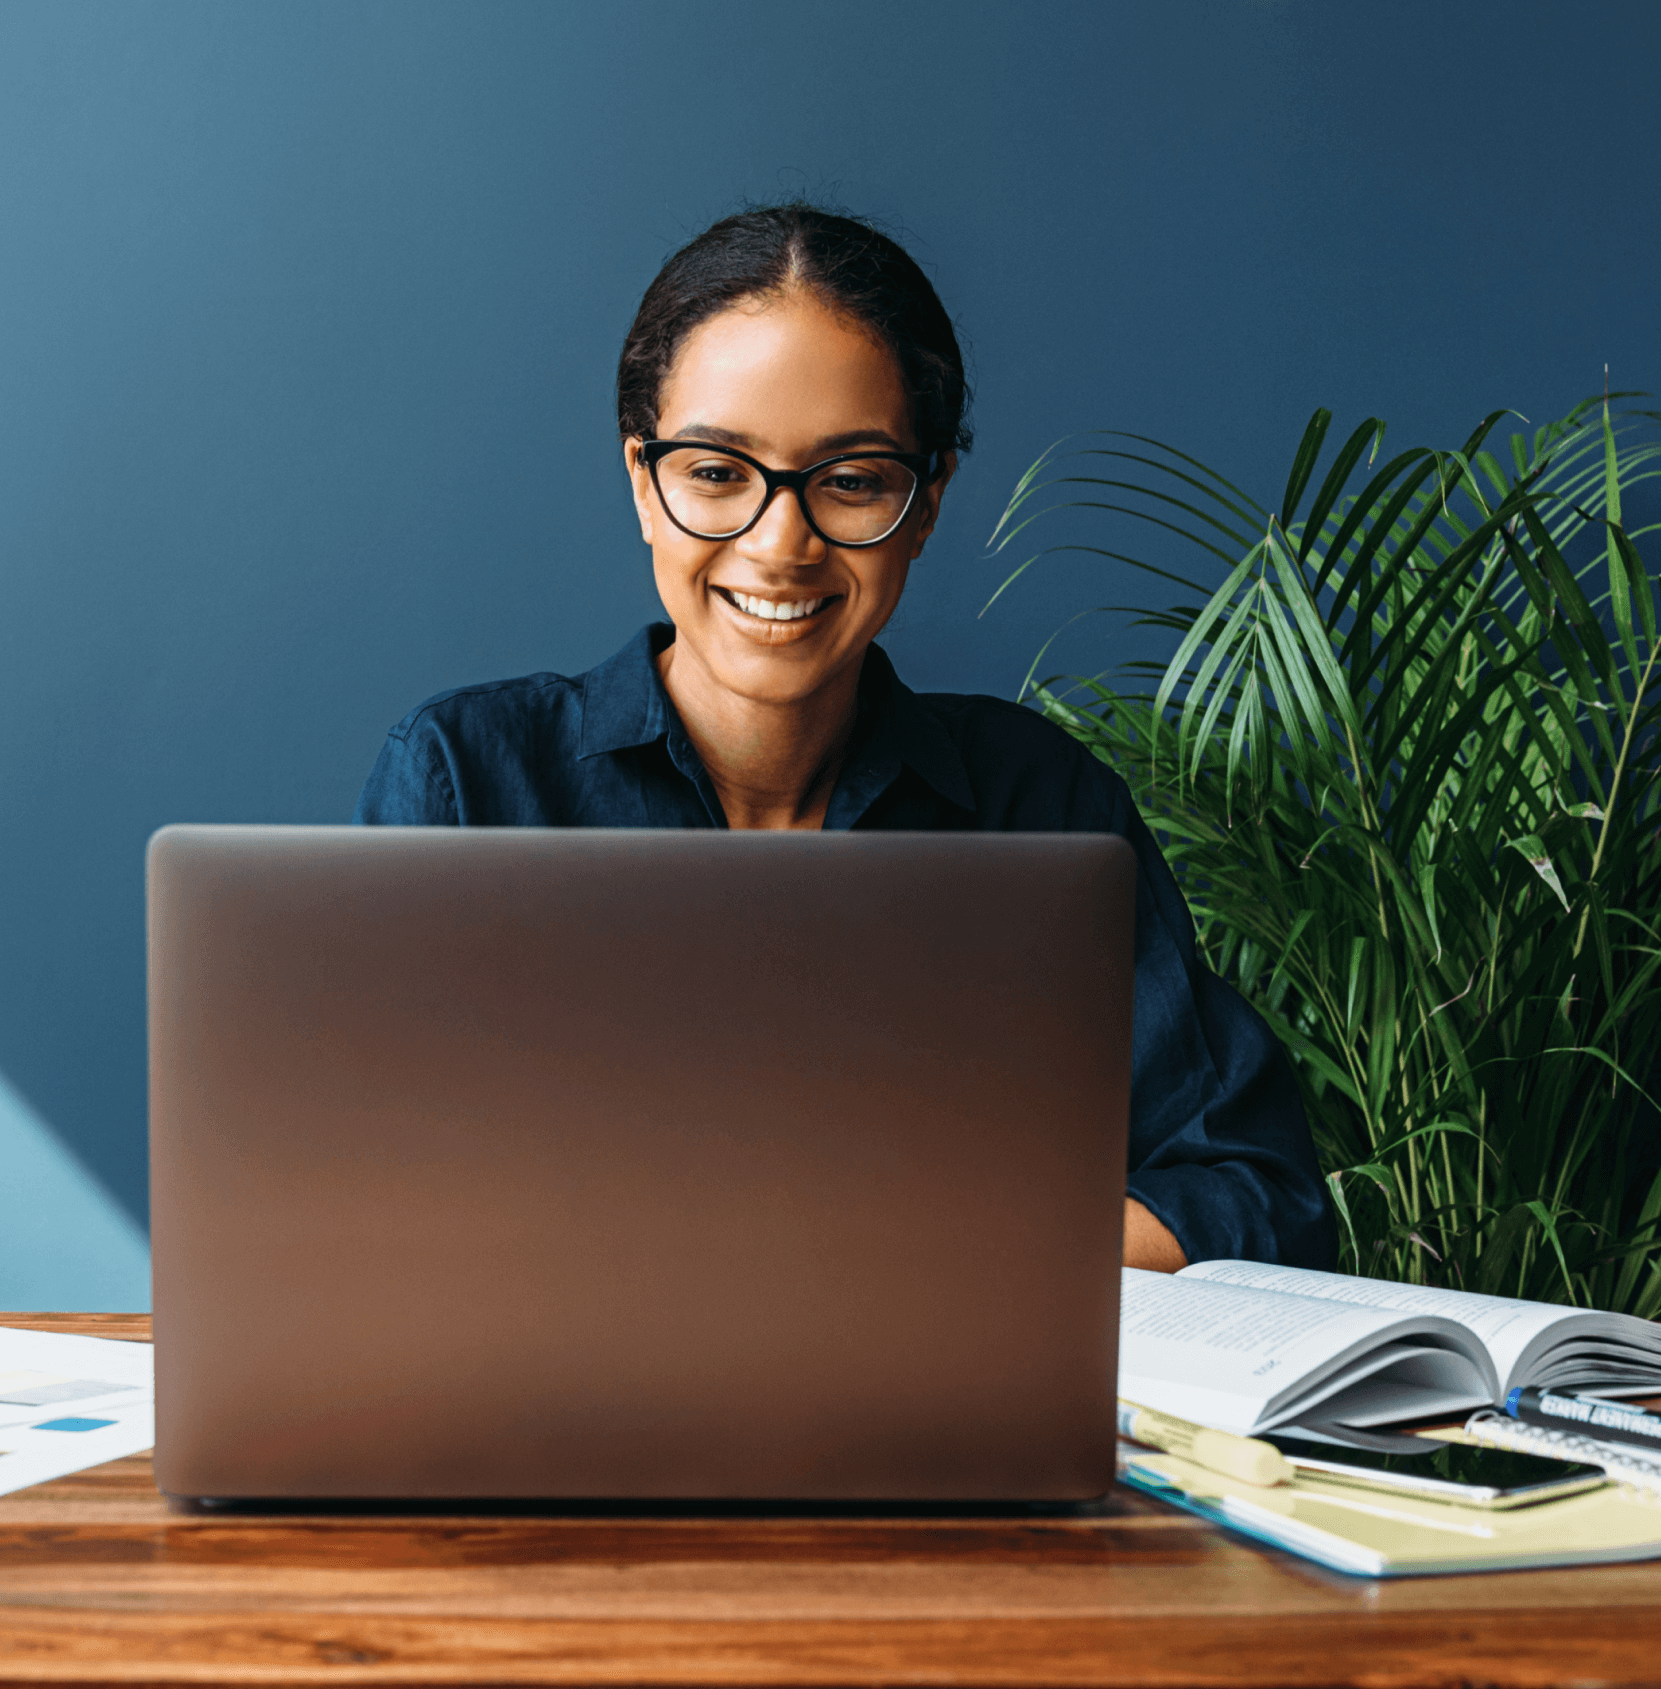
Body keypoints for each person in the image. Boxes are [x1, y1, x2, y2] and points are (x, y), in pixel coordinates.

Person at [355, 203, 1336, 1274]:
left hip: (938, 1420)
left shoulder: (1041, 808)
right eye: (717, 473)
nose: (781, 544)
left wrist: (903, 1260)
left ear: (926, 502)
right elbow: (358, 1208)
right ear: (643, 481)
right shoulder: (468, 782)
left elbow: (1255, 1193)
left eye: (854, 480)